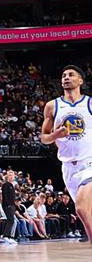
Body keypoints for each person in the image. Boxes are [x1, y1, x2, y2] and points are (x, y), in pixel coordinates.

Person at [40, 65, 92, 243]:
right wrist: (56, 135)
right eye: (63, 75)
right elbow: (44, 138)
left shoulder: (89, 103)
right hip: (68, 167)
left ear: (80, 80)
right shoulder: (52, 106)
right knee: (85, 211)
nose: (66, 78)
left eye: (71, 75)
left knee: (81, 208)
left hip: (89, 162)